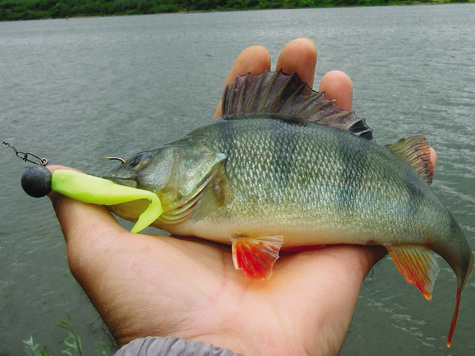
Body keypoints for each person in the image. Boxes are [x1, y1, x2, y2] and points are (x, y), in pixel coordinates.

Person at [47, 38, 436, 355]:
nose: (132, 173)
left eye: (141, 162)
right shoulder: (197, 187)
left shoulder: (208, 176)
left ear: (197, 160)